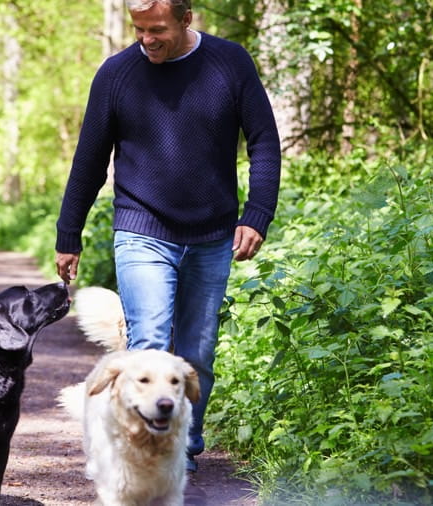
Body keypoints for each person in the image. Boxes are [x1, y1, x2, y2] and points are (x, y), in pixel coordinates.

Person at [54, 0, 281, 473]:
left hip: (213, 233)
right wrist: (68, 233)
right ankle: (145, 456)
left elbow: (263, 140)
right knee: (151, 344)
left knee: (197, 352)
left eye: (156, 29)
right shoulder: (116, 75)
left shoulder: (229, 63)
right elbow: (90, 159)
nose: (146, 39)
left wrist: (257, 214)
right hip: (141, 230)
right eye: (139, 29)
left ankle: (184, 448)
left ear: (185, 18)